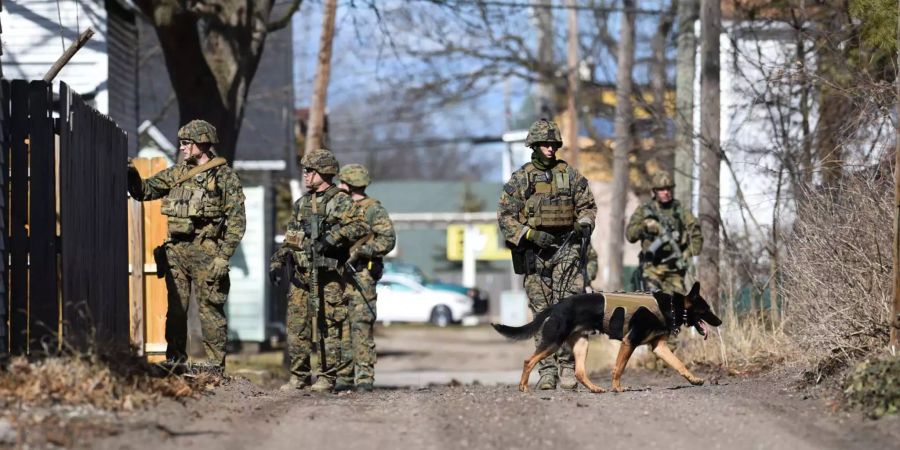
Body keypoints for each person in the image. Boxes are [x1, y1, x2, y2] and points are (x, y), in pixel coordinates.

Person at [127, 119, 246, 373]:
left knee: (210, 309)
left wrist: (223, 257)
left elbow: (237, 221)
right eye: (181, 143)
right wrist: (131, 174)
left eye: (186, 143)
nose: (181, 148)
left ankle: (214, 366)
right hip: (176, 252)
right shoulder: (177, 173)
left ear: (202, 143)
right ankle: (175, 361)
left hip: (207, 252)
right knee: (177, 310)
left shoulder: (224, 176)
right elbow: (145, 191)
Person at [497, 118, 597, 390]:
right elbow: (505, 216)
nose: (550, 149)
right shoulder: (521, 179)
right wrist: (529, 234)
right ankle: (547, 370)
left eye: (553, 144)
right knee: (542, 312)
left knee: (569, 310)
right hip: (535, 254)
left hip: (567, 250)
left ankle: (567, 368)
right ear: (534, 146)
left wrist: (584, 223)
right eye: (545, 144)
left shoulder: (570, 175)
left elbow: (587, 205)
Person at [269, 149, 366, 392]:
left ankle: (326, 377)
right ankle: (299, 377)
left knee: (328, 327)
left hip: (329, 277)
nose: (305, 175)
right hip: (301, 277)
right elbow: (292, 236)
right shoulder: (301, 204)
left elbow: (359, 226)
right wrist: (278, 260)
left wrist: (331, 239)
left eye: (309, 170)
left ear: (324, 172)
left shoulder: (340, 200)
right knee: (297, 328)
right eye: (305, 170)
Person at [334, 164, 396, 393]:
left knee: (361, 325)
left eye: (342, 182)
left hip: (362, 275)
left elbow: (387, 240)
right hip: (338, 275)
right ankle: (343, 376)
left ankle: (364, 378)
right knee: (341, 326)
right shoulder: (338, 207)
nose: (338, 186)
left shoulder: (373, 209)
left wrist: (363, 251)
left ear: (349, 184)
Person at [625, 172, 702, 294]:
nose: (666, 192)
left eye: (668, 189)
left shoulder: (681, 211)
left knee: (677, 307)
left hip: (674, 269)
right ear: (655, 191)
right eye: (662, 190)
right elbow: (630, 235)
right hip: (651, 268)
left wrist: (686, 254)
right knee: (653, 304)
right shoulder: (644, 210)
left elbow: (696, 236)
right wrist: (644, 226)